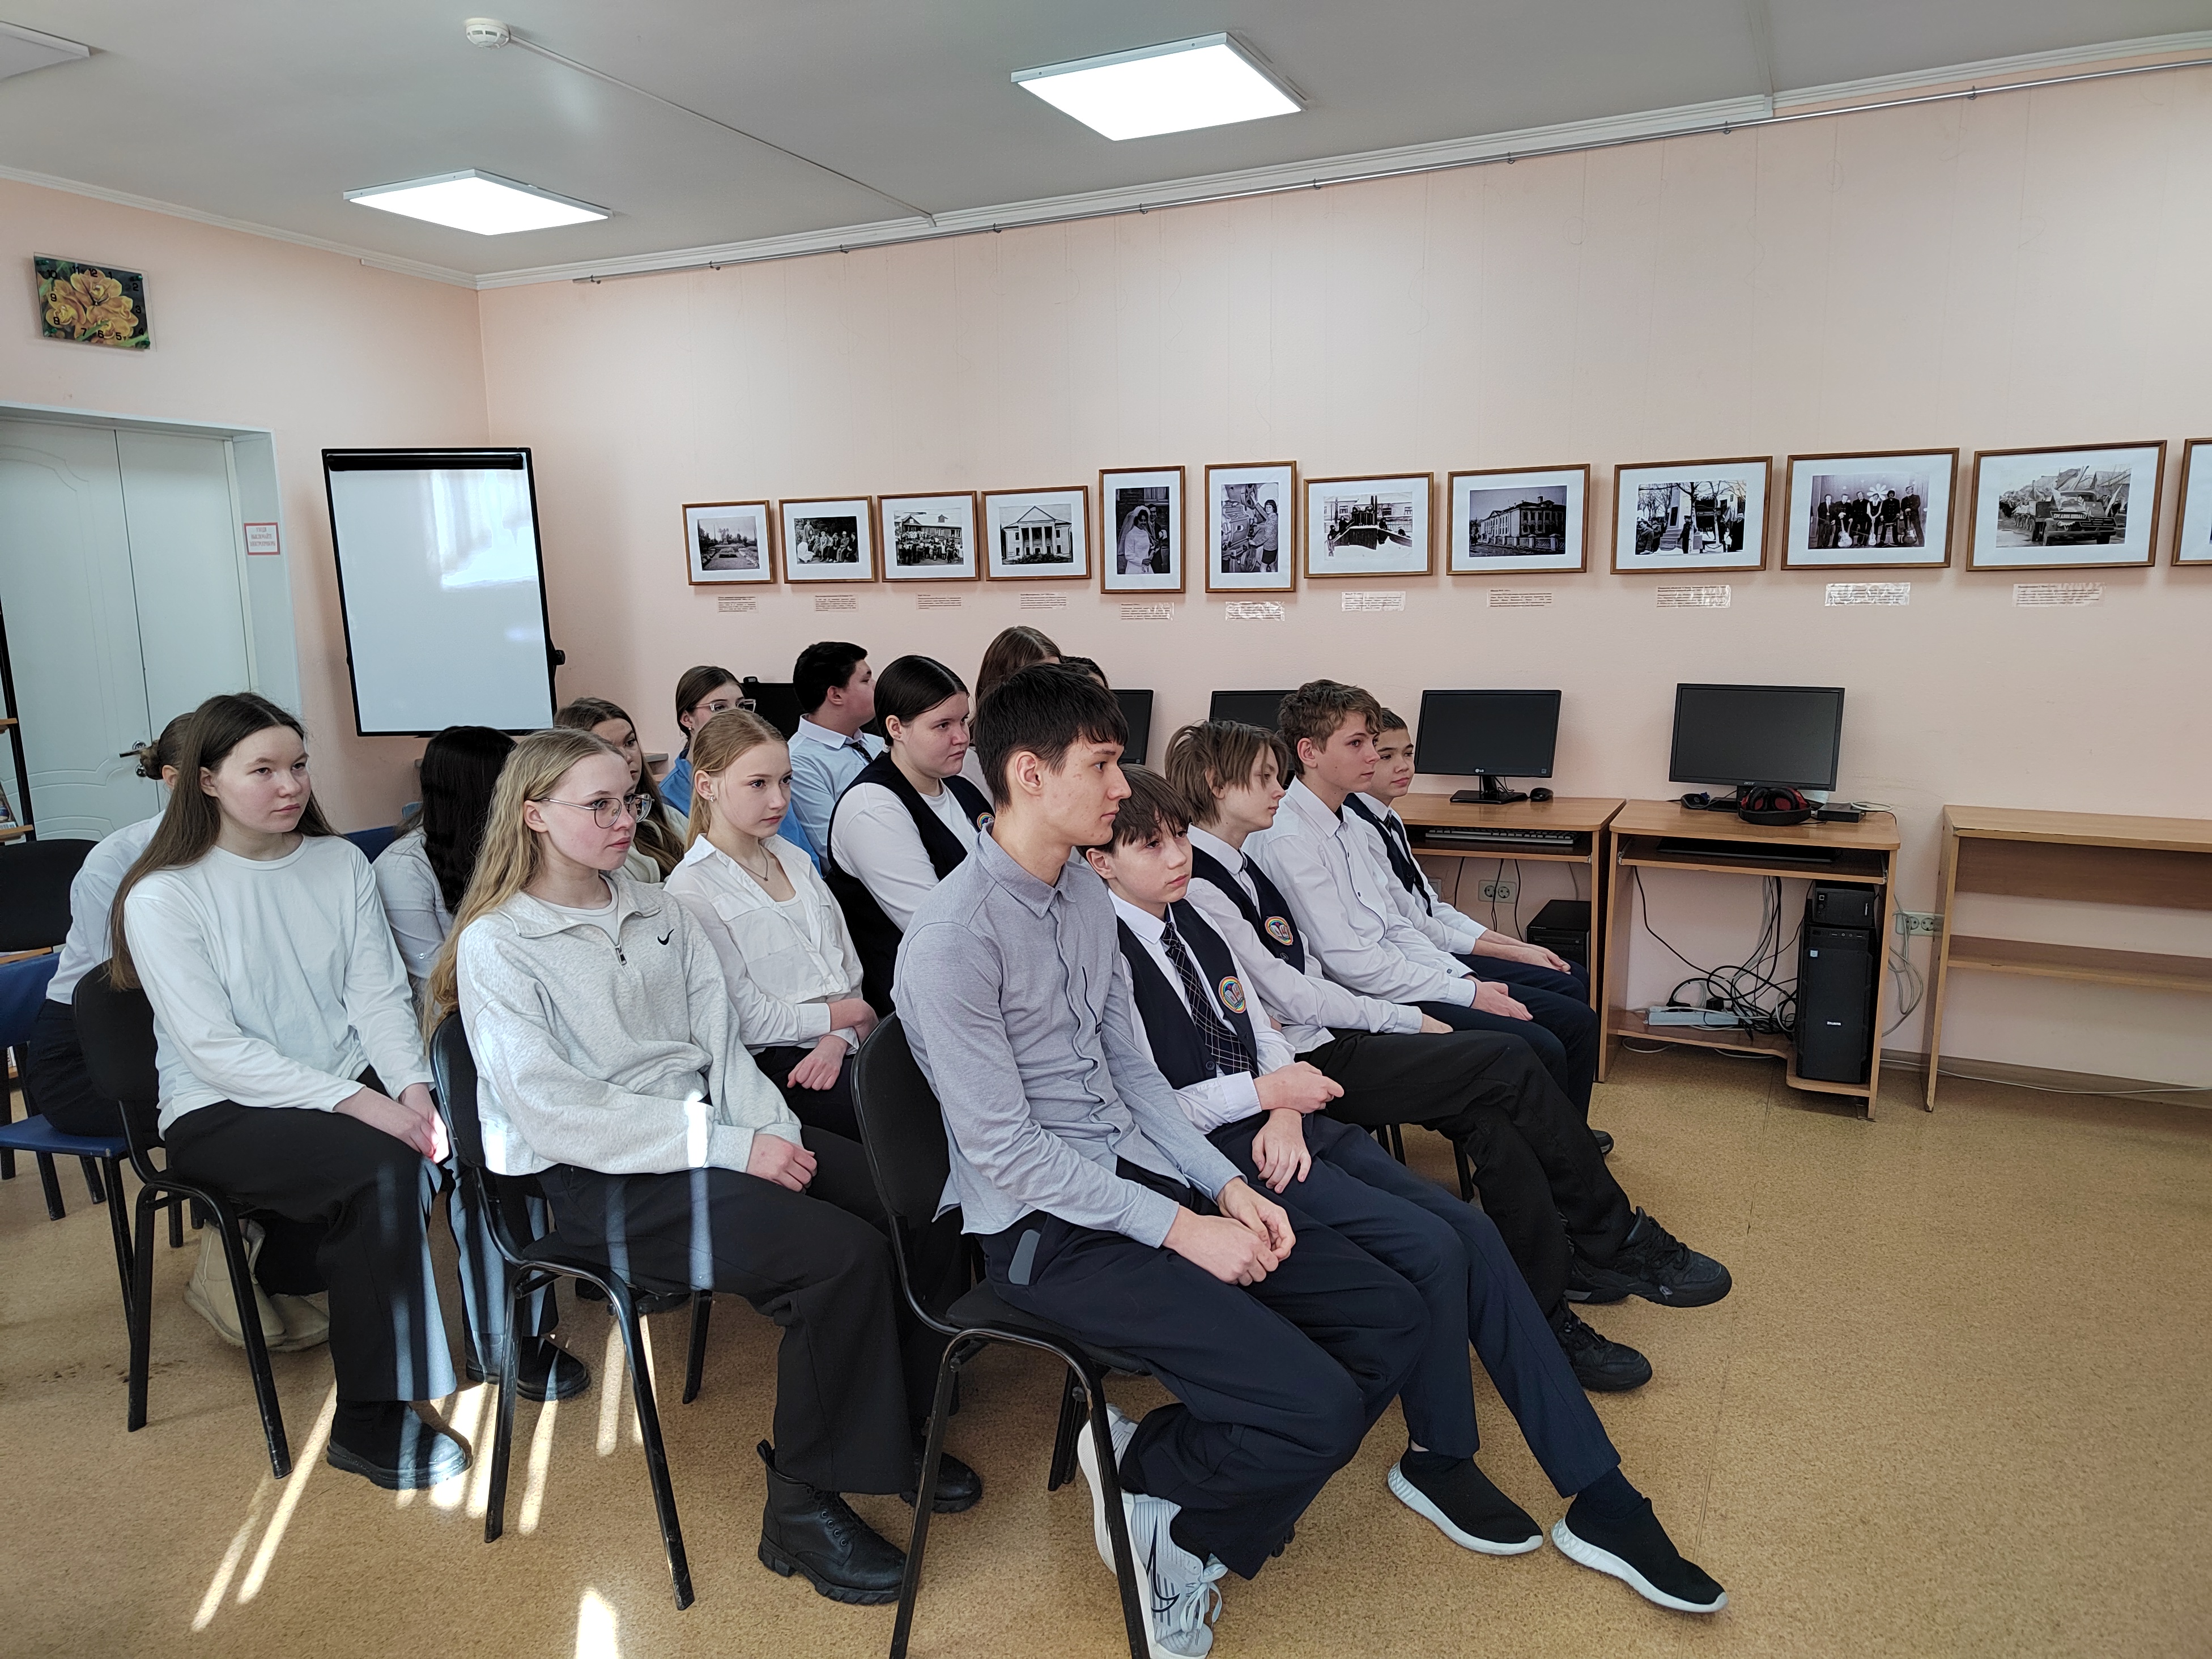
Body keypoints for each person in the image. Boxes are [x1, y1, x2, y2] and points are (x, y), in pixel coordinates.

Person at [1086, 767, 1727, 1614]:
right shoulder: (1102, 954)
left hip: (1285, 1127)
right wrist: (1266, 1098)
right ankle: (1446, 1459)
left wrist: (1283, 1101)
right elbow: (1144, 1108)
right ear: (1099, 861)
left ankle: (1593, 1492)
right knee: (1433, 1250)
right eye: (1150, 845)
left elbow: (1263, 1030)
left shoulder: (1190, 919)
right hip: (1218, 1168)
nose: (1177, 856)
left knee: (1474, 1233)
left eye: (1178, 837)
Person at [897, 665, 1428, 1658]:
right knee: (1314, 1409)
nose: (1120, 788)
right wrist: (1188, 1227)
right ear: (1029, 774)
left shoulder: (1078, 892)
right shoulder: (951, 940)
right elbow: (1006, 1151)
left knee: (1391, 1314)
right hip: (1044, 1231)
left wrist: (1223, 1185)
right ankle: (1175, 1532)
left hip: (1142, 1177)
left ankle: (1153, 1468)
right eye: (1101, 766)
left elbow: (1132, 1073)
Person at [437, 728, 979, 1605]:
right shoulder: (500, 944)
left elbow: (722, 1050)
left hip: (709, 1133)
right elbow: (556, 1111)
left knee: (911, 1201)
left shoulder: (656, 906)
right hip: (604, 1178)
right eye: (597, 805)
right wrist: (733, 1148)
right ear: (533, 816)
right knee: (839, 1259)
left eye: (629, 800)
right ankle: (799, 1504)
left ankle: (896, 1432)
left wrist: (773, 1136)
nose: (625, 819)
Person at [1164, 721, 1720, 1392]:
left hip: (1329, 1037)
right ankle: (1614, 1238)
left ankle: (1549, 1304)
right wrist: (1409, 1018)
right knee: (1509, 1060)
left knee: (1495, 1117)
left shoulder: (1241, 862)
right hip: (1318, 1061)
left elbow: (1312, 973)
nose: (1280, 788)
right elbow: (1290, 996)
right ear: (1216, 786)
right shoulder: (1200, 884)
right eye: (1263, 778)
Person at [111, 692, 464, 1488]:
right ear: (206, 781)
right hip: (220, 1106)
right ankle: (370, 1420)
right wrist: (367, 1105)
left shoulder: (337, 863)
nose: (291, 785)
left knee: (448, 1132)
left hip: (339, 1081)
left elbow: (377, 998)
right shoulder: (165, 893)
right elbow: (214, 1049)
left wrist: (412, 1090)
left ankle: (289, 1265)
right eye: (263, 770)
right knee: (387, 1169)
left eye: (299, 766)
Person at [1254, 682, 1601, 1122]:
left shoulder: (1349, 823)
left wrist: (1460, 976)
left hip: (1401, 974)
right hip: (1369, 996)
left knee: (1564, 1020)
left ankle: (1564, 1147)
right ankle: (1561, 1151)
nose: (1373, 757)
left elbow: (1398, 924)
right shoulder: (1290, 841)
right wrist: (1465, 989)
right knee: (1541, 1042)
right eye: (1359, 744)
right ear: (1309, 752)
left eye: (1375, 744)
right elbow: (1352, 966)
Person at [373, 724, 582, 1402]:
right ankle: (506, 1341)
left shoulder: (516, 850)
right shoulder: (404, 869)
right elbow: (444, 981)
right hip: (447, 1045)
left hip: (528, 1026)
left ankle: (612, 1266)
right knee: (493, 1156)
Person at [667, 708, 877, 1140]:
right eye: (758, 784)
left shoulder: (793, 858)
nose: (780, 800)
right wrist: (845, 1015)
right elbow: (744, 1019)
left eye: (785, 780)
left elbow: (846, 968)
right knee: (897, 1120)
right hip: (774, 1066)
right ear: (706, 786)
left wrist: (838, 1037)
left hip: (843, 1041)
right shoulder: (691, 888)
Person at [26, 714, 190, 1138]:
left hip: (188, 1037)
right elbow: (127, 983)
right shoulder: (116, 861)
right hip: (95, 1053)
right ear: (176, 780)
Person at [824, 655, 991, 1013]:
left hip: (980, 975)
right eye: (943, 725)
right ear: (896, 728)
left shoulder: (961, 788)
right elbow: (934, 926)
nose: (962, 737)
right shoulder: (872, 807)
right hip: (915, 1000)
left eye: (963, 721)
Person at [372, 726, 514, 997]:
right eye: (514, 784)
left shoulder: (507, 844)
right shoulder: (401, 871)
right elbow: (438, 985)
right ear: (482, 793)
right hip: (456, 1008)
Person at [552, 697, 688, 883]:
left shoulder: (666, 815)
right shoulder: (588, 843)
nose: (626, 756)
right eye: (607, 748)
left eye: (630, 742)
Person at [785, 641, 885, 858]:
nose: (876, 686)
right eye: (866, 680)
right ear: (836, 695)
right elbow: (832, 848)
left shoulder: (878, 744)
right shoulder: (799, 762)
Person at [963, 626, 1060, 794]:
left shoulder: (1063, 741)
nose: (1055, 692)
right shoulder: (970, 763)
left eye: (1059, 677)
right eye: (1041, 682)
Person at [658, 665, 745, 816]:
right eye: (719, 707)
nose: (737, 716)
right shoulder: (668, 797)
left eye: (741, 705)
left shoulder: (761, 772)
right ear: (687, 719)